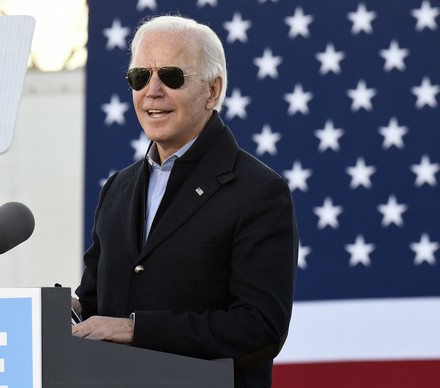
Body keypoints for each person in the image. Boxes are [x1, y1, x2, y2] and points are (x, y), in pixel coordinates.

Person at [72, 14, 298, 388]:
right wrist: (56, 312)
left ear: (212, 91)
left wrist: (137, 330)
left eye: (172, 76)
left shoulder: (259, 192)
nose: (153, 91)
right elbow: (95, 304)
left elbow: (261, 328)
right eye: (140, 77)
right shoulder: (117, 188)